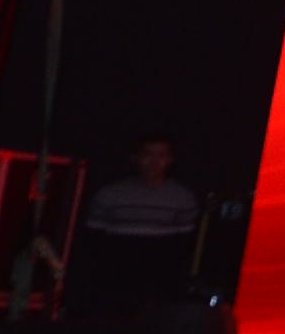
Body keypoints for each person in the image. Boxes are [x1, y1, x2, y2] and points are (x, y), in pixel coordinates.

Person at [68, 134, 207, 323]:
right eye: (148, 155)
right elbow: (94, 240)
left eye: (162, 156)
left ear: (170, 160)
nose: (155, 162)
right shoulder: (109, 195)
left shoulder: (183, 198)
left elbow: (185, 244)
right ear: (136, 157)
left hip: (160, 283)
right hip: (115, 281)